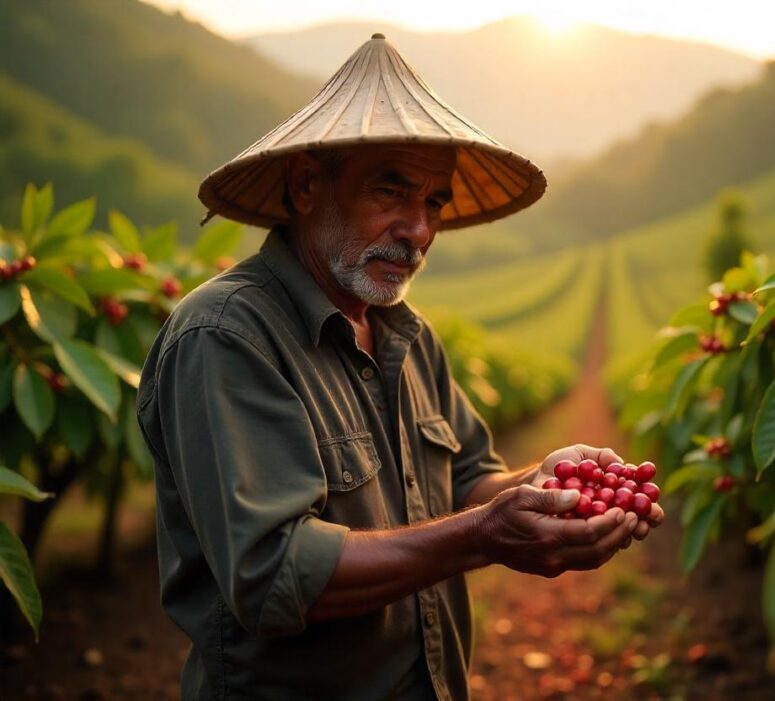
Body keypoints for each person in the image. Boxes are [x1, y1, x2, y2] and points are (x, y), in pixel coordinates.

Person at [137, 35, 663, 701]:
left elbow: (468, 477)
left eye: (435, 202)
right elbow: (274, 573)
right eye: (391, 190)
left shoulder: (407, 337)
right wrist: (483, 533)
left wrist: (548, 484)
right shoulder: (226, 337)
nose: (418, 229)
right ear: (305, 185)